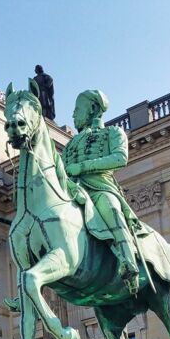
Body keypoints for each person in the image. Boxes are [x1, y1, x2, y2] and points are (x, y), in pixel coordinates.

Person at [62, 90, 142, 293]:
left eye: (77, 109)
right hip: (72, 190)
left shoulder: (112, 133)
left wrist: (82, 168)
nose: (73, 115)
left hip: (99, 187)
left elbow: (119, 159)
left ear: (92, 109)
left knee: (110, 209)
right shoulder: (70, 145)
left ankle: (129, 260)